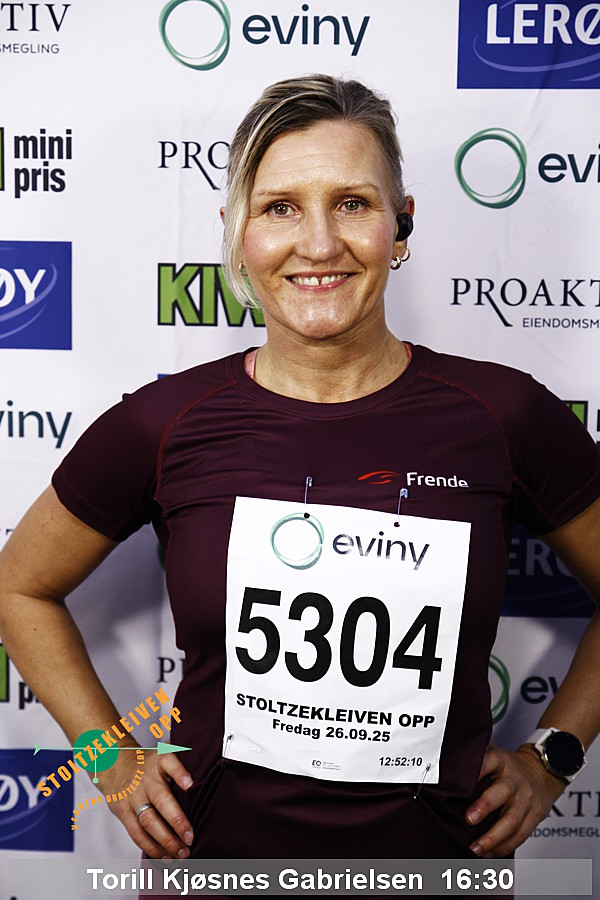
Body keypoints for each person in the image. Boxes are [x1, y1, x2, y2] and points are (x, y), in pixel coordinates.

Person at [0, 74, 599, 865]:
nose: (318, 244)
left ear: (401, 225)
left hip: (435, 870)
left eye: (352, 203)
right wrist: (107, 757)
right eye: (280, 207)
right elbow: (18, 586)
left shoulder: (504, 414)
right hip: (214, 868)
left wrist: (553, 756)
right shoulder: (162, 424)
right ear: (237, 232)